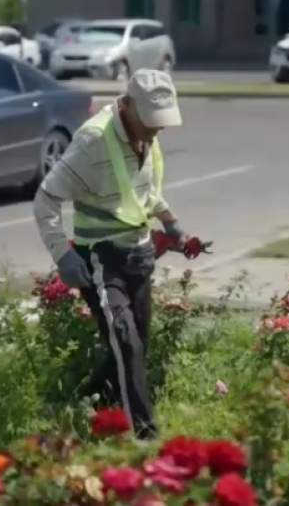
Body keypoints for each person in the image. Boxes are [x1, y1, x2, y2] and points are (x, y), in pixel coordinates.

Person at [32, 69, 191, 440]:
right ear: (128, 105)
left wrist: (171, 222)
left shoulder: (145, 137)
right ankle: (144, 436)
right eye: (151, 122)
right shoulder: (92, 141)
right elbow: (46, 199)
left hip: (139, 252)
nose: (156, 131)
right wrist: (63, 255)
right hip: (101, 257)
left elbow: (142, 191)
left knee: (137, 346)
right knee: (125, 341)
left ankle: (83, 403)